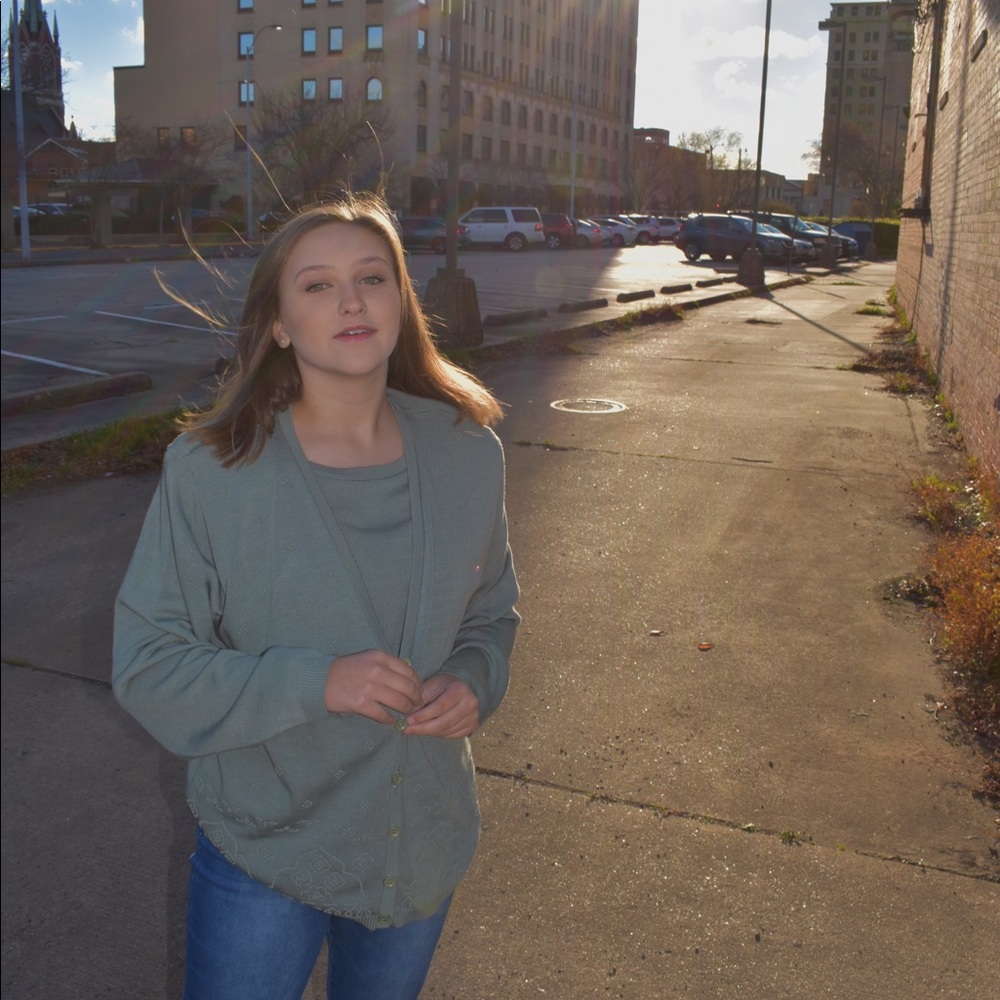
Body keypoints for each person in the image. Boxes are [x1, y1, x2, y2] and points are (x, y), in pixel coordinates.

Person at [112, 193, 519, 1000]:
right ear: (279, 324)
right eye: (318, 285)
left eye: (372, 277)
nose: (353, 300)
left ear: (402, 304)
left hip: (418, 844)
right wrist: (316, 682)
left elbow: (493, 615)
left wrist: (476, 678)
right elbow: (149, 665)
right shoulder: (212, 471)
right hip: (266, 848)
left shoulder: (470, 452)